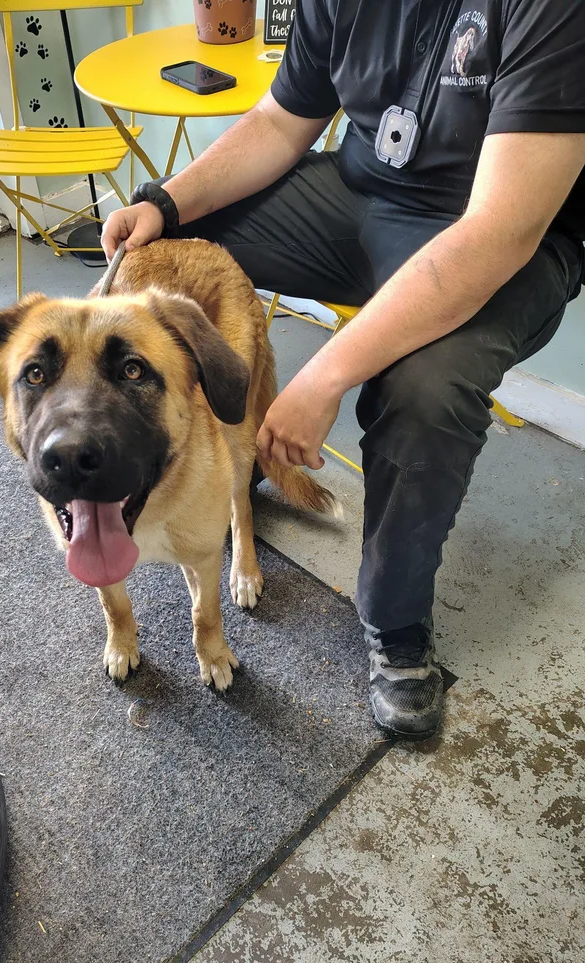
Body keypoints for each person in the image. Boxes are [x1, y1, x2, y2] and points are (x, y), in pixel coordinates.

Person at [101, 1, 585, 741]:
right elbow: (276, 123)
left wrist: (324, 376)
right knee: (165, 249)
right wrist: (164, 202)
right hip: (360, 196)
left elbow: (500, 231)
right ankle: (210, 470)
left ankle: (395, 624)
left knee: (423, 392)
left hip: (498, 237)